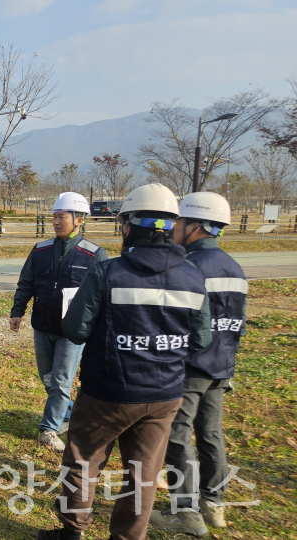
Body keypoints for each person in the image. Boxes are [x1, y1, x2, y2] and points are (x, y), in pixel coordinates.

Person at [36, 183, 212, 540]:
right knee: (144, 473)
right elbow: (202, 340)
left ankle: (73, 532)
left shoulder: (107, 272)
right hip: (164, 397)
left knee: (83, 463)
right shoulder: (194, 278)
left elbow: (75, 328)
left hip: (108, 392)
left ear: (129, 225)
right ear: (170, 227)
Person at [149, 192, 245, 536]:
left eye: (177, 222)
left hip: (190, 366)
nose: (173, 228)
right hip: (221, 365)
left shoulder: (189, 267)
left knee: (177, 433)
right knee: (211, 433)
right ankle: (213, 504)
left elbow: (175, 320)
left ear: (194, 226)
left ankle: (185, 512)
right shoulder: (234, 267)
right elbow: (239, 324)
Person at [9, 192, 108, 453]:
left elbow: (103, 297)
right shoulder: (40, 250)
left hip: (72, 332)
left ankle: (48, 429)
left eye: (61, 217)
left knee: (62, 381)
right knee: (48, 379)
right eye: (53, 217)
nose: (55, 221)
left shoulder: (95, 255)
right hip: (42, 326)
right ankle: (68, 415)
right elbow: (26, 283)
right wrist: (17, 310)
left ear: (79, 220)